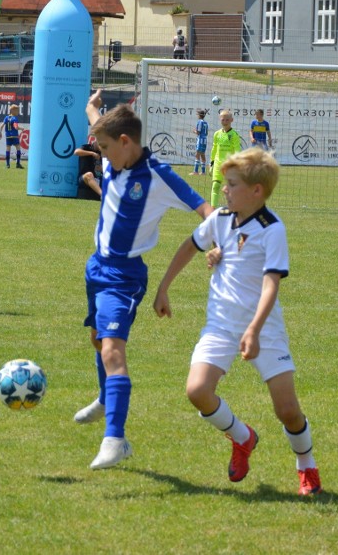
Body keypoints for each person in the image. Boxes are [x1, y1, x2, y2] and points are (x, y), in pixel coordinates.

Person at [153, 147, 321, 495]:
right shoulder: (220, 219)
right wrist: (164, 287)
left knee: (288, 410)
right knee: (197, 391)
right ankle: (242, 437)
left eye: (231, 184)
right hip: (220, 325)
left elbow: (271, 282)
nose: (224, 190)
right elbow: (190, 245)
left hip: (263, 329)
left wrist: (255, 330)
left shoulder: (272, 229)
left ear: (256, 191)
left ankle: (307, 465)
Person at [74, 89, 212, 470]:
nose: (99, 153)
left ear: (125, 142)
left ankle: (115, 440)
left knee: (114, 351)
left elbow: (206, 209)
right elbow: (96, 123)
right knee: (98, 340)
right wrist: (92, 105)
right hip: (96, 267)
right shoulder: (113, 159)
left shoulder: (157, 177)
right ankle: (106, 399)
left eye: (103, 147)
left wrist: (218, 244)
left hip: (124, 276)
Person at [209, 109, 243, 207]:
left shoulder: (234, 135)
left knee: (232, 187)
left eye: (227, 120)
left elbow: (237, 151)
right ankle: (212, 209)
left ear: (231, 120)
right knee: (215, 186)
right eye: (223, 120)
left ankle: (235, 207)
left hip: (229, 165)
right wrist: (211, 163)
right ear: (220, 120)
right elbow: (214, 149)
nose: (225, 122)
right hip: (218, 163)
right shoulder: (217, 134)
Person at [0, 104, 24, 169]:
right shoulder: (15, 118)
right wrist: (21, 129)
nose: (18, 112)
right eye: (17, 110)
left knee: (8, 149)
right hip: (14, 136)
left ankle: (7, 165)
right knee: (18, 148)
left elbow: (1, 126)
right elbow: (16, 127)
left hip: (8, 136)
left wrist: (0, 133)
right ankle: (18, 164)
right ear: (13, 111)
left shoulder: (6, 118)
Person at [190, 108, 209, 176]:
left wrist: (194, 131)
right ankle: (203, 172)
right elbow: (206, 133)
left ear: (199, 115)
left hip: (200, 139)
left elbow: (198, 132)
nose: (197, 115)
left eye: (197, 114)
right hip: (205, 140)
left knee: (197, 154)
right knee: (202, 154)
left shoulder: (199, 122)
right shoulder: (206, 123)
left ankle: (195, 171)